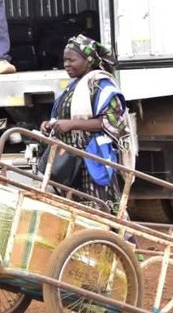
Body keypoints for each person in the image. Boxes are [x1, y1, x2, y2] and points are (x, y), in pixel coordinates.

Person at [40, 34, 132, 210]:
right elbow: (64, 115)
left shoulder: (101, 85)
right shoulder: (73, 86)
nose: (66, 64)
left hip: (92, 161)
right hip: (71, 163)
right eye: (64, 60)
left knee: (101, 211)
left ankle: (112, 228)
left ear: (88, 60)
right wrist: (51, 124)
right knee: (75, 212)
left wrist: (71, 125)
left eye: (71, 60)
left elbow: (115, 122)